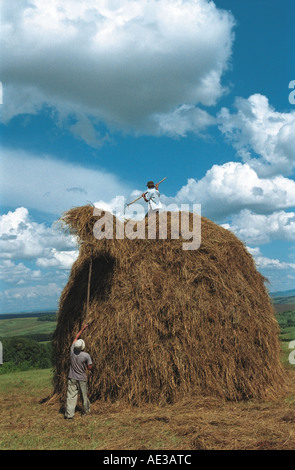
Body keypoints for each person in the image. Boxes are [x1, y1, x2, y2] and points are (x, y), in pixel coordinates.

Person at [64, 324, 93, 419]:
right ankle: (86, 412)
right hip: (81, 378)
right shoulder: (86, 355)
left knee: (71, 396)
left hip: (71, 377)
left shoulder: (72, 350)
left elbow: (76, 337)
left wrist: (82, 329)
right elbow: (89, 367)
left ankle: (69, 415)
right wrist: (89, 365)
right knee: (84, 396)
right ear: (83, 347)